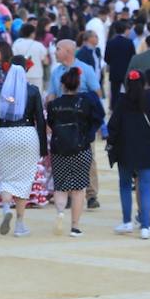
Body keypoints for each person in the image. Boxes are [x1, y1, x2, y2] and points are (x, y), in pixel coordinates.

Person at [105, 70, 150, 239]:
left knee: (125, 185)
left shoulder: (122, 101)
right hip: (147, 150)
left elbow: (113, 126)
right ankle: (146, 225)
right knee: (146, 187)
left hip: (125, 149)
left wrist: (111, 143)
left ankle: (127, 221)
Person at [0, 63, 48, 237]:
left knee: (7, 178)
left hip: (5, 134)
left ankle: (7, 207)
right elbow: (40, 119)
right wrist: (43, 146)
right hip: (27, 134)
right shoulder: (32, 91)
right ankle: (20, 224)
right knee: (24, 179)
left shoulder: (1, 91)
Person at [46, 66, 104, 238]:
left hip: (59, 149)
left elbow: (50, 124)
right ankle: (75, 226)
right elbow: (97, 120)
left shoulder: (53, 105)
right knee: (79, 189)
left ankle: (60, 212)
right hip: (81, 148)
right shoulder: (86, 103)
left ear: (62, 85)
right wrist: (88, 136)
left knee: (60, 186)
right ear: (79, 84)